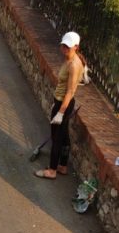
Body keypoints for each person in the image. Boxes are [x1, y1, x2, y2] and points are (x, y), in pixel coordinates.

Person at [32, 31, 85, 179]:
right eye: (63, 45)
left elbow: (70, 91)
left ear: (76, 46)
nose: (64, 49)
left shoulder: (74, 65)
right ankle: (62, 166)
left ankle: (52, 170)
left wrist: (60, 112)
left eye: (68, 46)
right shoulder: (69, 59)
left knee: (56, 138)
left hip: (64, 104)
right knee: (64, 135)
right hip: (61, 102)